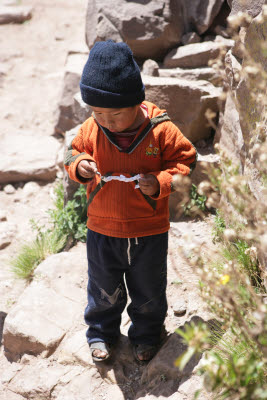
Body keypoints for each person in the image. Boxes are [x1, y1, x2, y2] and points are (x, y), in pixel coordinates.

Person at [64, 40, 197, 362]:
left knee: (149, 291)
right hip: (102, 229)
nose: (107, 120)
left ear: (136, 104)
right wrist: (80, 166)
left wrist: (162, 182)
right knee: (103, 289)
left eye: (116, 113)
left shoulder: (160, 131)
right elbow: (73, 153)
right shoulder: (90, 129)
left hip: (148, 230)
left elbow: (187, 160)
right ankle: (100, 333)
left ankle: (147, 336)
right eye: (98, 113)